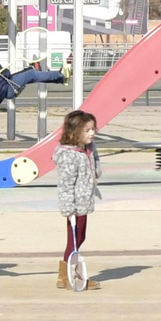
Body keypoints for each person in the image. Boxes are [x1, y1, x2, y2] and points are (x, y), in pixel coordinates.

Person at [53, 109, 103, 291]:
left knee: (79, 237)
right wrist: (69, 209)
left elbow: (95, 163)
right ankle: (69, 276)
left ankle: (63, 276)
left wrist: (95, 173)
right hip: (74, 204)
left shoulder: (88, 148)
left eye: (92, 129)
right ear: (75, 132)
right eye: (87, 130)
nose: (92, 133)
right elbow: (66, 185)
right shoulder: (69, 156)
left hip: (84, 200)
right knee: (75, 240)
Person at [0, 40, 65, 104]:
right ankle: (60, 74)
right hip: (8, 89)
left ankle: (60, 79)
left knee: (31, 76)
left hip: (6, 86)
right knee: (32, 74)